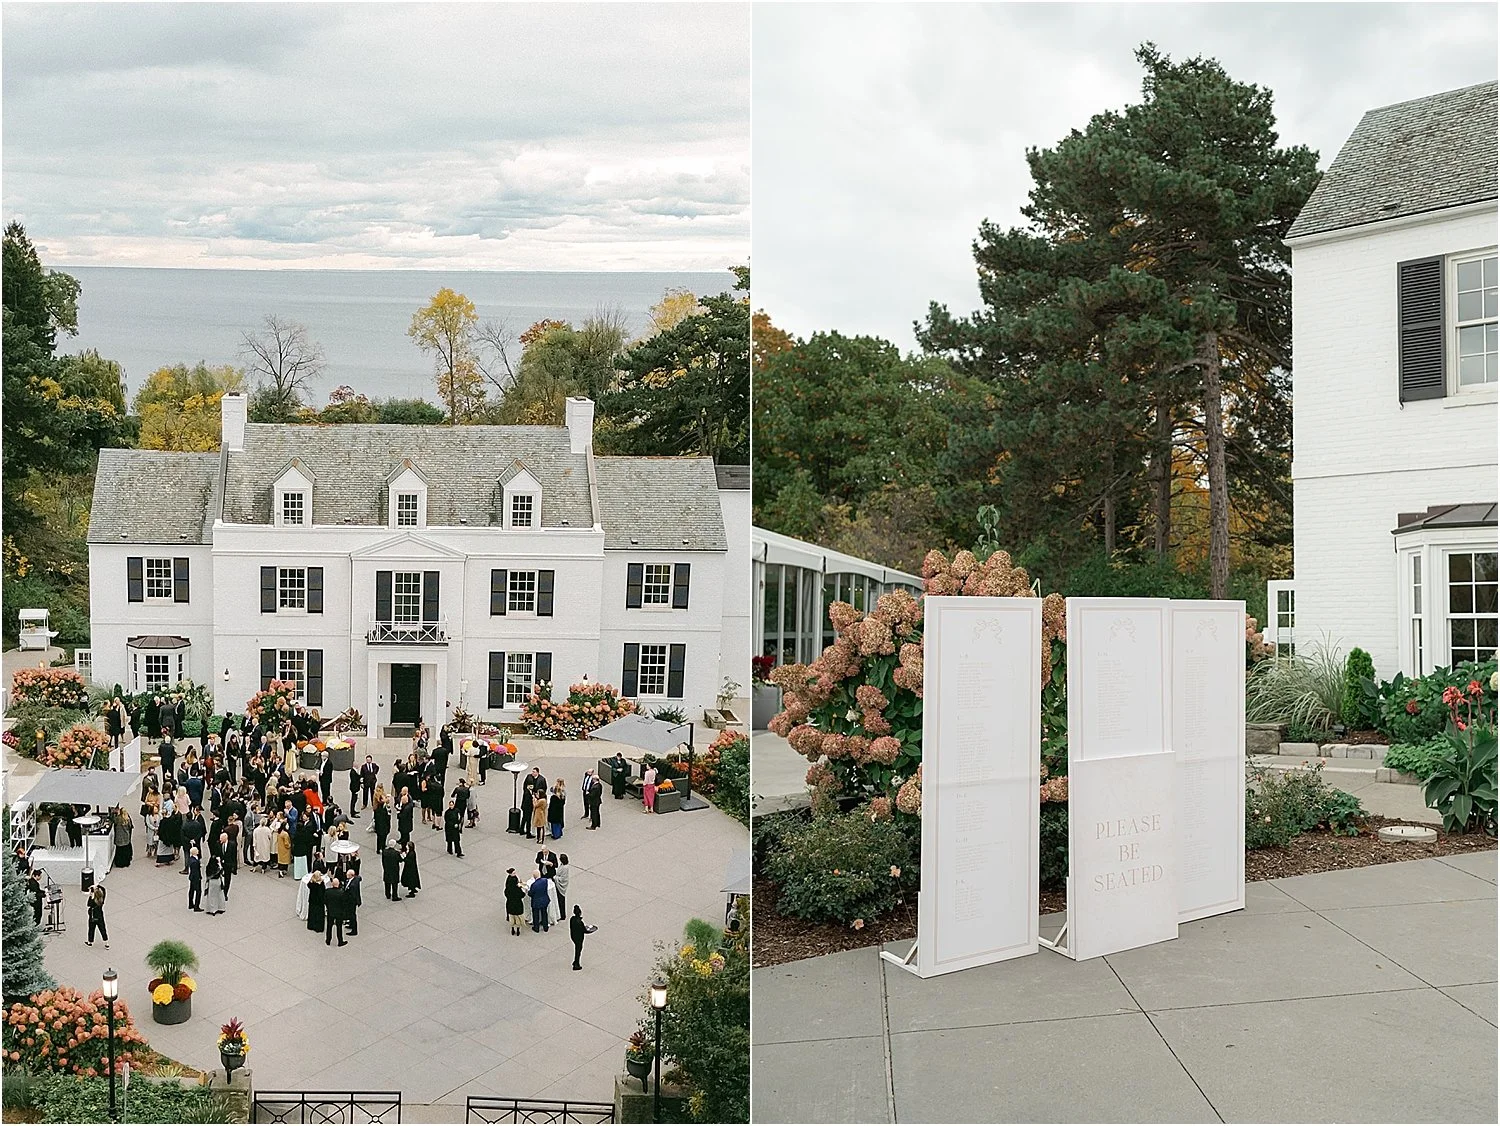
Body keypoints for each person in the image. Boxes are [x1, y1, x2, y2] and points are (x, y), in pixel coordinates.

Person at [323, 877, 347, 946]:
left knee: (329, 926)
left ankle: (328, 940)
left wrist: (328, 907)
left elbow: (325, 901)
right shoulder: (341, 893)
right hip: (339, 913)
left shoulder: (328, 891)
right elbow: (344, 903)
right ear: (338, 884)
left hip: (330, 912)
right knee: (339, 927)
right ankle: (340, 941)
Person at [504, 869, 526, 936]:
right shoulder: (516, 889)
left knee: (512, 918)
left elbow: (506, 893)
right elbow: (522, 895)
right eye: (514, 873)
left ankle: (513, 929)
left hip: (510, 904)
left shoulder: (508, 885)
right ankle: (518, 930)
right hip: (517, 905)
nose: (515, 874)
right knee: (518, 918)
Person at [570, 905, 591, 970]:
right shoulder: (579, 922)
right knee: (578, 950)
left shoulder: (572, 919)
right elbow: (584, 930)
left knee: (577, 949)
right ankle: (576, 964)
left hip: (573, 936)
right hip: (579, 938)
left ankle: (575, 961)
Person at [344, 864, 362, 936]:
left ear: (351, 875)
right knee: (351, 914)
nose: (346, 875)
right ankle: (351, 924)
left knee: (352, 915)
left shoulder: (353, 885)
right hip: (352, 901)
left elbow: (352, 895)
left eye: (348, 875)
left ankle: (354, 930)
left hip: (352, 902)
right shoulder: (355, 879)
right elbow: (359, 877)